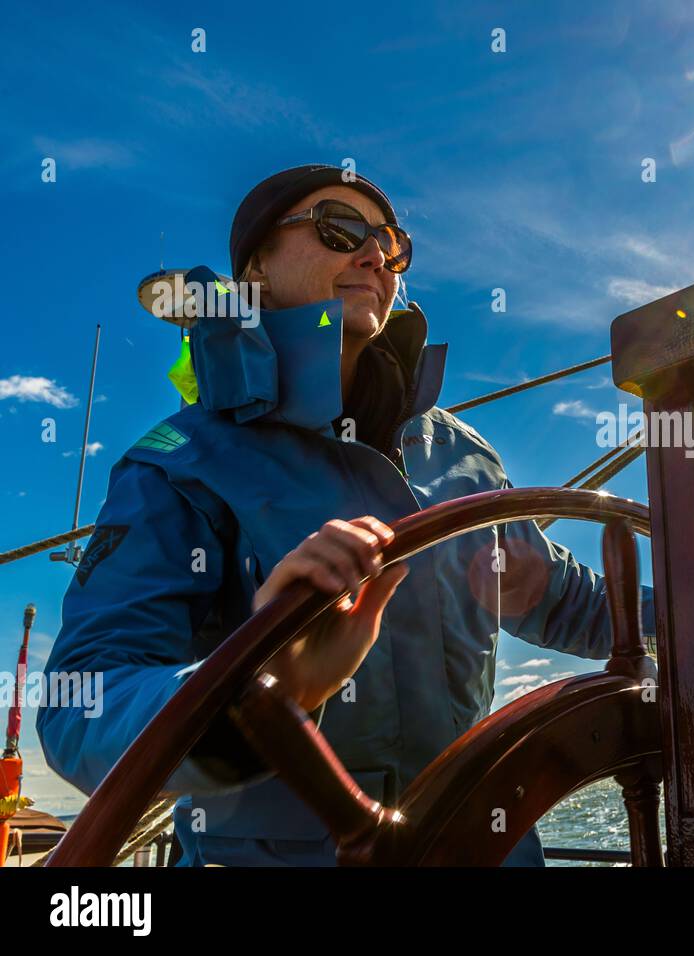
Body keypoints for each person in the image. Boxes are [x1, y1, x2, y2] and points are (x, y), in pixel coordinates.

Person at [37, 164, 654, 866]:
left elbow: (568, 599)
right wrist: (261, 693)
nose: (373, 255)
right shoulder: (179, 463)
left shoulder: (460, 452)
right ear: (256, 270)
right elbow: (78, 706)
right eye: (339, 229)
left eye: (391, 246)